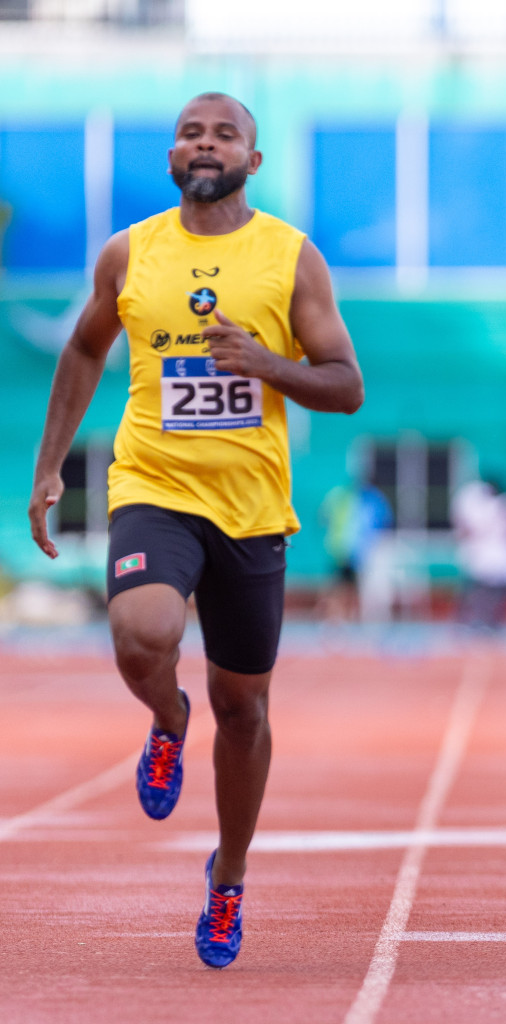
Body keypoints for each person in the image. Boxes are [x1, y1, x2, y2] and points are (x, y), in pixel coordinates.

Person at [28, 93, 363, 967]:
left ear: (253, 160)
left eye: (224, 133)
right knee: (144, 633)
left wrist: (267, 365)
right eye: (189, 132)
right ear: (172, 156)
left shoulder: (290, 257)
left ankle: (228, 879)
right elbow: (84, 350)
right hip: (154, 484)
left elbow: (345, 384)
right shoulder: (129, 253)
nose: (202, 143)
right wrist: (51, 465)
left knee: (244, 708)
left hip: (251, 508)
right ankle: (167, 718)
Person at [451, 477, 506, 629]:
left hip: (495, 556)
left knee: (489, 591)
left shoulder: (494, 506)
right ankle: (478, 621)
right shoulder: (499, 507)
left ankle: (484, 621)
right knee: (485, 591)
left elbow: (464, 531)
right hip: (491, 556)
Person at [316, 468, 392, 622]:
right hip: (347, 550)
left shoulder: (356, 498)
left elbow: (323, 517)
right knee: (340, 586)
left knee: (345, 587)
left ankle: (336, 616)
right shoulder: (353, 499)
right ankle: (330, 615)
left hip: (351, 550)